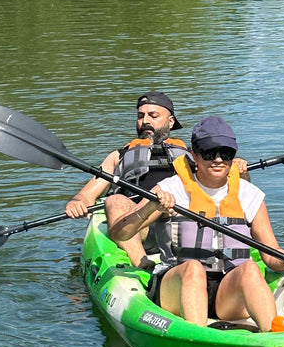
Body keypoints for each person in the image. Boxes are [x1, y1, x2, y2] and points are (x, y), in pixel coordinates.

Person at [108, 115, 284, 332]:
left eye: (226, 153)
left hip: (226, 293)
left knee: (250, 269)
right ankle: (196, 337)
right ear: (194, 155)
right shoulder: (170, 188)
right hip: (177, 286)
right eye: (208, 153)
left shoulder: (250, 195)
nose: (218, 160)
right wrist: (151, 207)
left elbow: (271, 255)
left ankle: (274, 338)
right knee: (193, 269)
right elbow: (120, 233)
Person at [65, 92, 191, 267]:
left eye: (153, 116)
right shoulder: (119, 156)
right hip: (138, 227)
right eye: (140, 116)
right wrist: (77, 202)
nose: (145, 121)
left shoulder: (193, 155)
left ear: (170, 122)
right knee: (114, 201)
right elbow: (86, 195)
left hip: (181, 224)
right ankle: (143, 264)